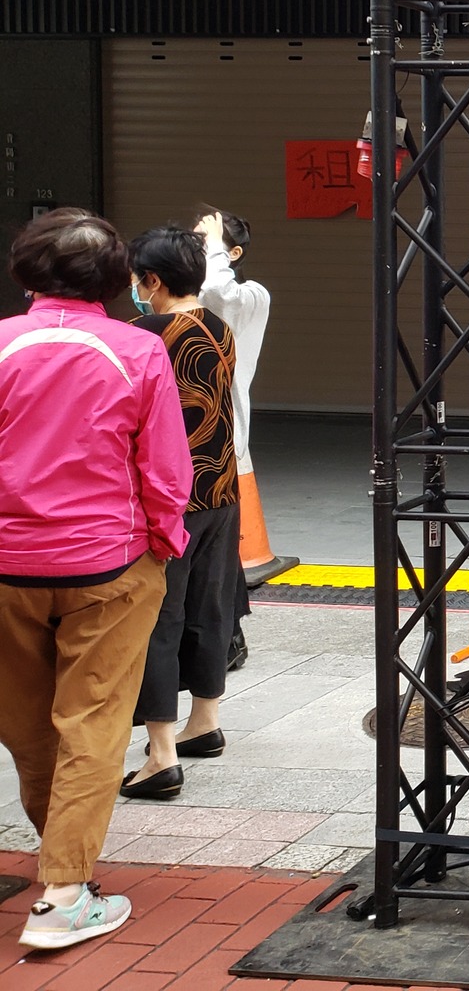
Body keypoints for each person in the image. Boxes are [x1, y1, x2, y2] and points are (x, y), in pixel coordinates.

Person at [0, 210, 192, 951]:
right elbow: (165, 466)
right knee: (94, 721)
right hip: (111, 562)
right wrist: (164, 543)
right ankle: (63, 891)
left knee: (26, 724)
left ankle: (60, 865)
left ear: (27, 271)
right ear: (116, 279)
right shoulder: (136, 350)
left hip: (8, 564)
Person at [121, 226, 241, 802]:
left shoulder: (146, 334)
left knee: (158, 617)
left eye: (136, 278)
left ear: (152, 280)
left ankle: (161, 754)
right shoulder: (218, 324)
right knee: (209, 609)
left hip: (170, 497)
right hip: (221, 490)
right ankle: (205, 723)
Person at [195, 209, 274, 667]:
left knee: (215, 550)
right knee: (208, 551)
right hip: (188, 439)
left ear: (233, 253)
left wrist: (214, 249)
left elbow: (217, 292)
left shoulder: (250, 296)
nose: (199, 248)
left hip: (222, 436)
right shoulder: (185, 301)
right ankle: (223, 638)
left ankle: (228, 639)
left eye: (206, 242)